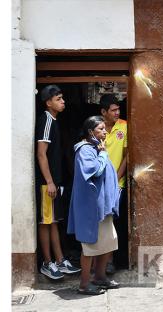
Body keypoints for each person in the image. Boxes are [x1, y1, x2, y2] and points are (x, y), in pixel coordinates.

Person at [68, 116, 121, 295]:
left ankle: (99, 277)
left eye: (104, 129)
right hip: (91, 207)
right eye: (100, 129)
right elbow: (95, 172)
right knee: (90, 247)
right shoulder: (85, 150)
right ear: (91, 132)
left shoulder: (96, 147)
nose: (105, 132)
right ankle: (84, 284)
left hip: (103, 206)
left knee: (108, 242)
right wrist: (104, 154)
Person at [35, 85, 81, 279]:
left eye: (63, 98)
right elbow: (41, 154)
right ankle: (47, 263)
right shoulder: (46, 119)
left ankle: (60, 260)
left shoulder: (54, 120)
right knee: (46, 222)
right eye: (59, 99)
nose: (63, 102)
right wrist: (50, 181)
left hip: (55, 182)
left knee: (53, 222)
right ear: (48, 103)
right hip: (48, 183)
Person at [99, 94, 128, 273]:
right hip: (100, 183)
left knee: (113, 222)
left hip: (118, 183)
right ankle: (103, 261)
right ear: (103, 112)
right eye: (113, 110)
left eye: (118, 109)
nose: (117, 113)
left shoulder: (124, 126)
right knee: (102, 222)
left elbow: (127, 155)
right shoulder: (96, 127)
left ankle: (111, 260)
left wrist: (116, 178)